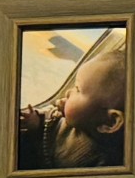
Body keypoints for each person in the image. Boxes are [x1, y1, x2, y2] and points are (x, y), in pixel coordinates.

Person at [17, 39, 127, 171]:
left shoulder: (102, 163)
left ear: (110, 123)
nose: (69, 92)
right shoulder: (70, 119)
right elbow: (51, 123)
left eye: (77, 89)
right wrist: (36, 121)